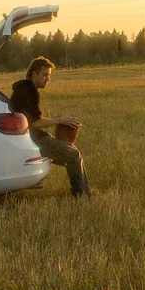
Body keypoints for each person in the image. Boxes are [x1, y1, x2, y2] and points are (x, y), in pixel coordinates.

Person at [9, 56, 91, 197]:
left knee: (72, 152)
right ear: (34, 74)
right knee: (73, 155)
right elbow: (35, 123)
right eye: (45, 74)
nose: (48, 79)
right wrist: (60, 120)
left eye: (49, 75)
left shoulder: (24, 88)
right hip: (32, 139)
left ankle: (85, 192)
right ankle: (81, 195)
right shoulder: (29, 91)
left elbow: (33, 120)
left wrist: (57, 120)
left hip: (30, 136)